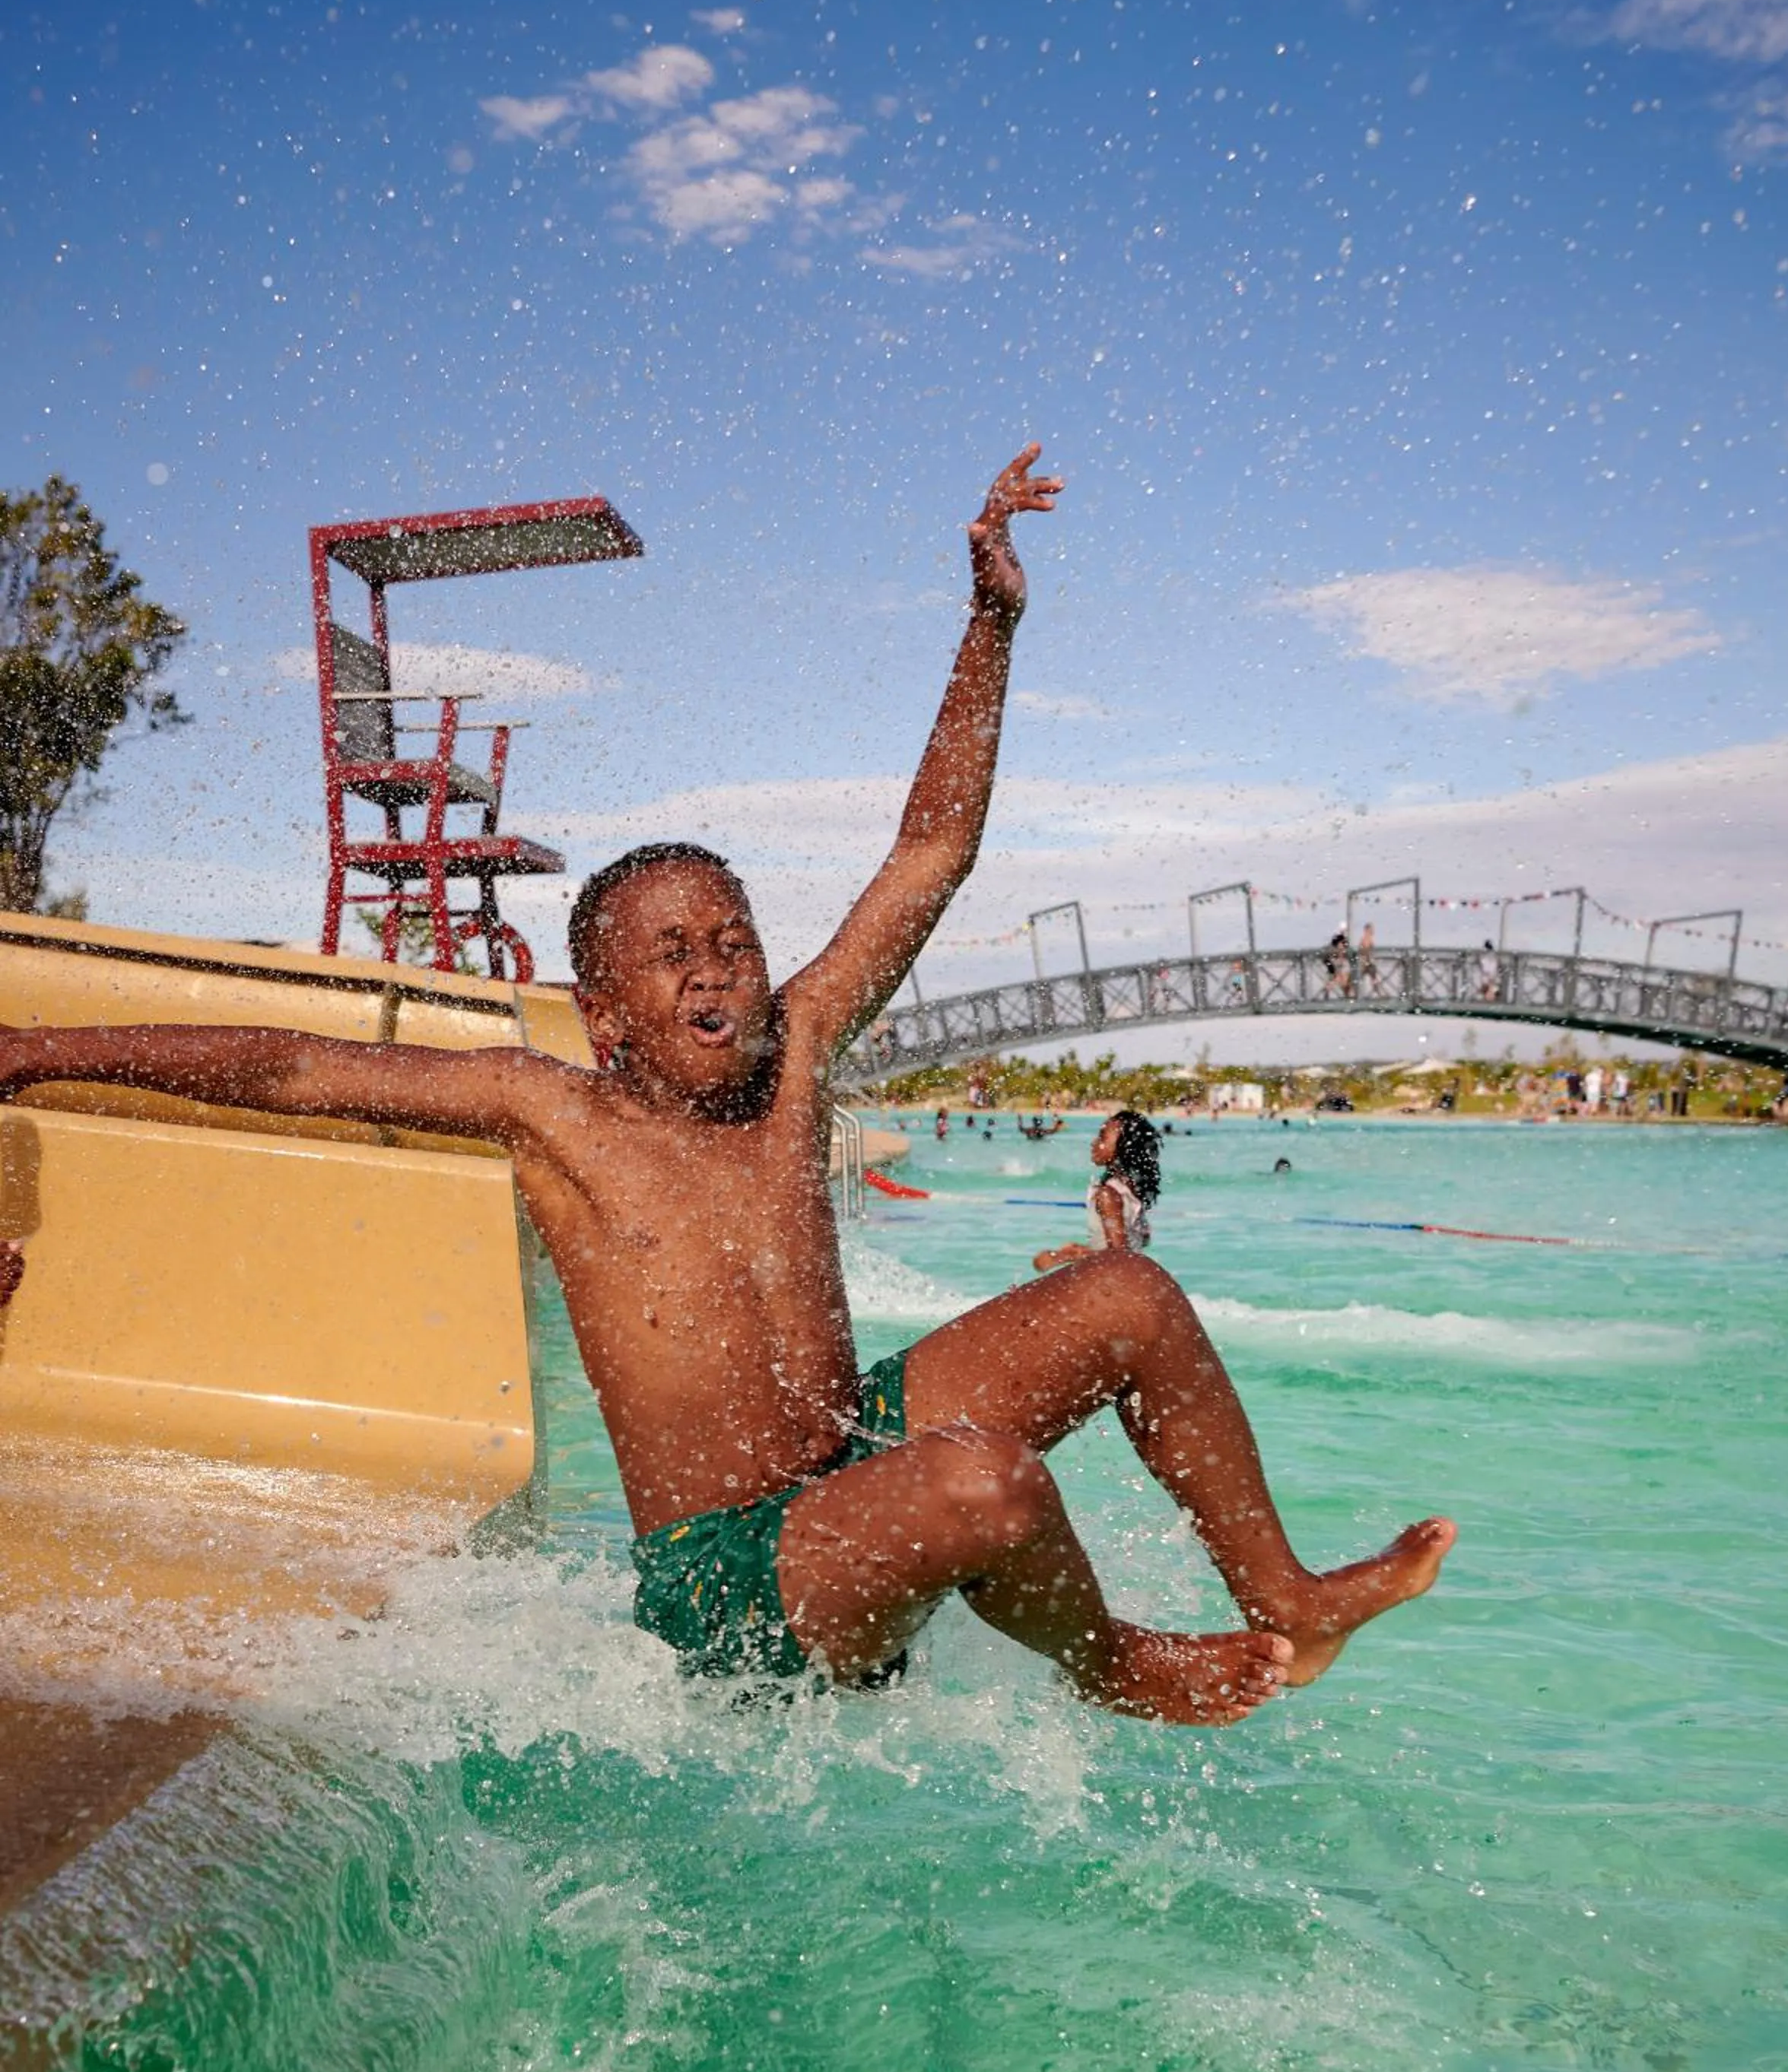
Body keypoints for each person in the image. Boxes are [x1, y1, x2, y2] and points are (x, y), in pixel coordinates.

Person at [0, 448, 1451, 1726]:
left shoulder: (799, 1048)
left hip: (850, 1454)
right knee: (991, 1483)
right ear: (606, 1012)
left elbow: (930, 854)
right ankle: (1117, 1666)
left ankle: (1290, 1594)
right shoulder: (551, 1110)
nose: (717, 973)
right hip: (730, 1576)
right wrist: (34, 1056)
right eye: (672, 956)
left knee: (1131, 1300)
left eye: (735, 942)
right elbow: (294, 1067)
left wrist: (991, 626)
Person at [1032, 1109, 1161, 1271]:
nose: (1094, 1143)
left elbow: (1119, 1258)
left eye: (1102, 1137)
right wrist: (1085, 1249)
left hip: (1110, 1283)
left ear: (1124, 1148)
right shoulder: (1132, 1193)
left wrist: (1069, 1255)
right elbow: (1138, 1243)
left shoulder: (1108, 1195)